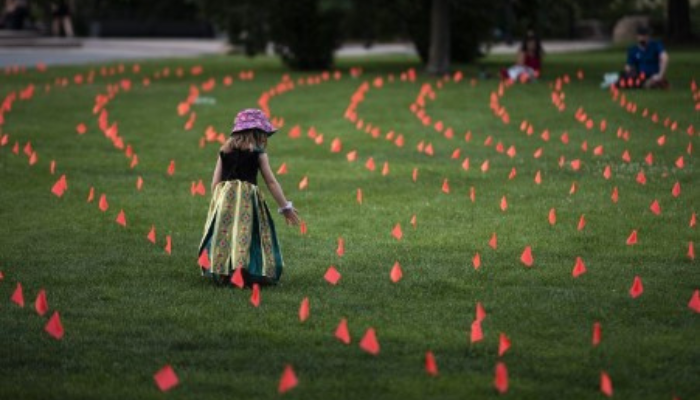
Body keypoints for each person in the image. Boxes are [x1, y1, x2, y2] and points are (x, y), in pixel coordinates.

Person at [198, 109, 299, 287]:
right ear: (257, 133)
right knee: (248, 233)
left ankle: (224, 271)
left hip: (225, 199)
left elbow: (215, 182)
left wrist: (218, 203)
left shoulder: (224, 151)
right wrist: (285, 207)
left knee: (226, 234)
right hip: (247, 200)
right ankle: (247, 271)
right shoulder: (258, 153)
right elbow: (271, 182)